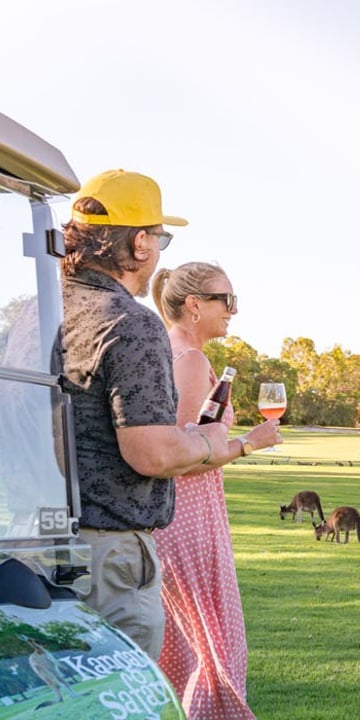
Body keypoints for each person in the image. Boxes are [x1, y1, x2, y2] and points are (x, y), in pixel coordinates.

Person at [57, 169, 281, 661]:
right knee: (122, 697)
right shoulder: (130, 322)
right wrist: (220, 439)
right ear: (140, 243)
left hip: (44, 543)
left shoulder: (43, 308)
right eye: (159, 237)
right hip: (109, 554)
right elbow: (153, 453)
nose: (159, 249)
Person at [150, 262, 271, 719]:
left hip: (175, 518)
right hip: (190, 517)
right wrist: (247, 443)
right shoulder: (191, 360)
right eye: (227, 300)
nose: (234, 311)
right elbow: (183, 457)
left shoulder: (169, 351)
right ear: (194, 305)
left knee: (185, 644)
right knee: (217, 647)